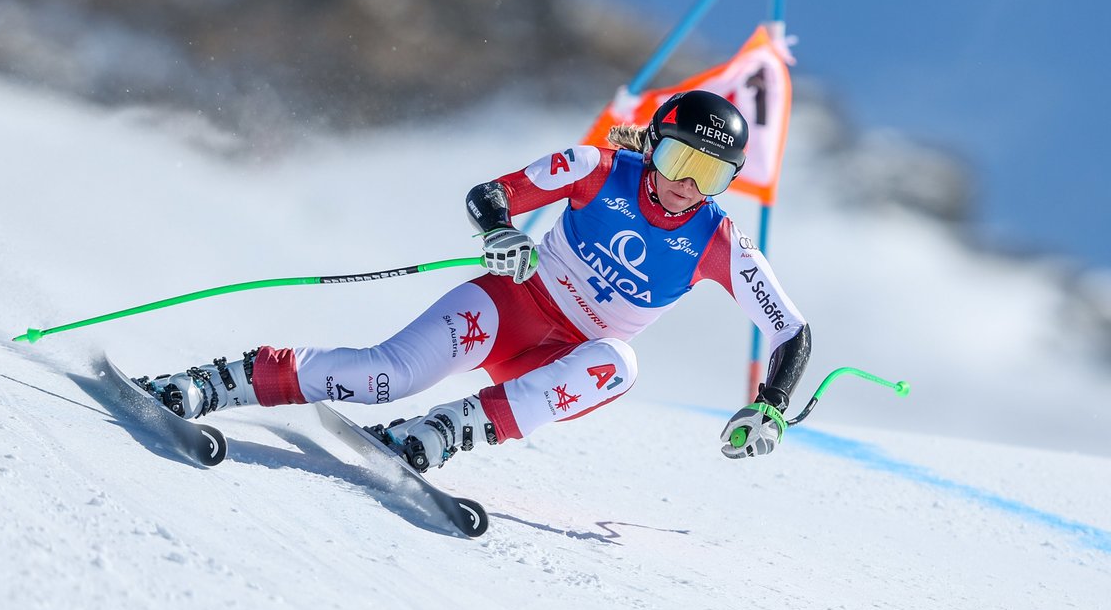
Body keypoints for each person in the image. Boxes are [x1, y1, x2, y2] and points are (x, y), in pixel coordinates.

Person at [137, 90, 811, 469]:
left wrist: (772, 404)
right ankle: (211, 383)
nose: (685, 186)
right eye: (677, 159)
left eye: (712, 175)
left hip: (564, 359)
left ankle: (441, 432)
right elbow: (492, 195)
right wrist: (500, 234)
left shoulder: (717, 240)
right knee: (382, 377)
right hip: (509, 306)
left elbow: (791, 331)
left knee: (619, 362)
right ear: (652, 142)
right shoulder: (598, 168)